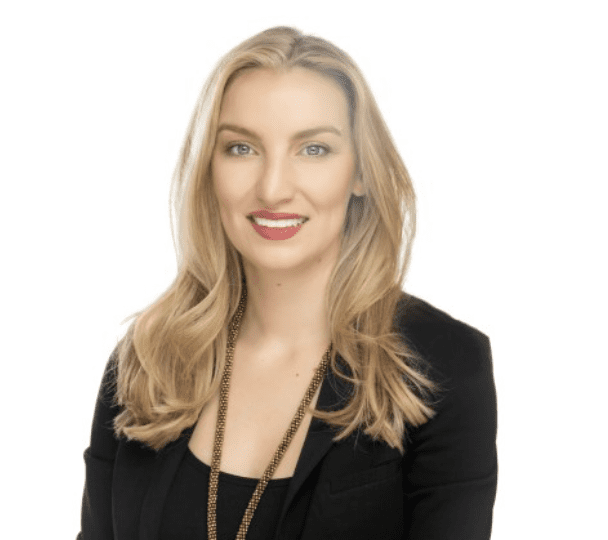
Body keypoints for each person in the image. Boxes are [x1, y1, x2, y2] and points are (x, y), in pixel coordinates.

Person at [77, 26, 498, 540]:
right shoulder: (148, 360)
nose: (273, 188)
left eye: (313, 149)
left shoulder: (443, 368)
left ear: (361, 172)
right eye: (241, 148)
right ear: (209, 168)